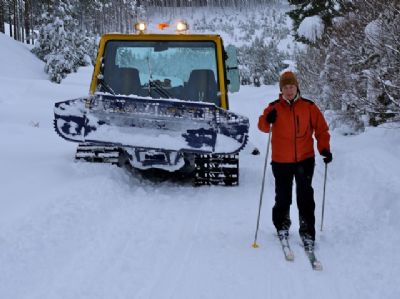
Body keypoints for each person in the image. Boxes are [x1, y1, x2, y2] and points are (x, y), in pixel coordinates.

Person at [258, 71, 332, 250]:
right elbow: (262, 126)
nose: (289, 91)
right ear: (281, 90)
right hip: (281, 161)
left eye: (291, 87)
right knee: (283, 197)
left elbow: (321, 129)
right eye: (285, 87)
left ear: (297, 87)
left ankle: (307, 231)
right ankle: (282, 225)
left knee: (305, 197)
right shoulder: (274, 107)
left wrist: (324, 149)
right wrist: (268, 120)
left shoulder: (309, 107)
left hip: (304, 160)